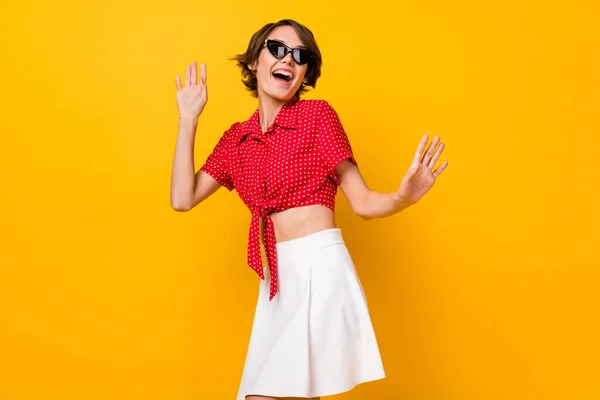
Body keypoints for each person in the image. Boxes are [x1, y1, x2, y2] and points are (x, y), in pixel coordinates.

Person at [170, 19, 448, 400]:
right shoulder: (238, 139)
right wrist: (188, 118)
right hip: (278, 285)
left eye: (300, 56)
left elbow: (363, 202)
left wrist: (402, 197)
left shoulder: (316, 117)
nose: (289, 59)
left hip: (321, 272)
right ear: (254, 61)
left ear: (304, 74)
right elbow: (182, 198)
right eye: (277, 49)